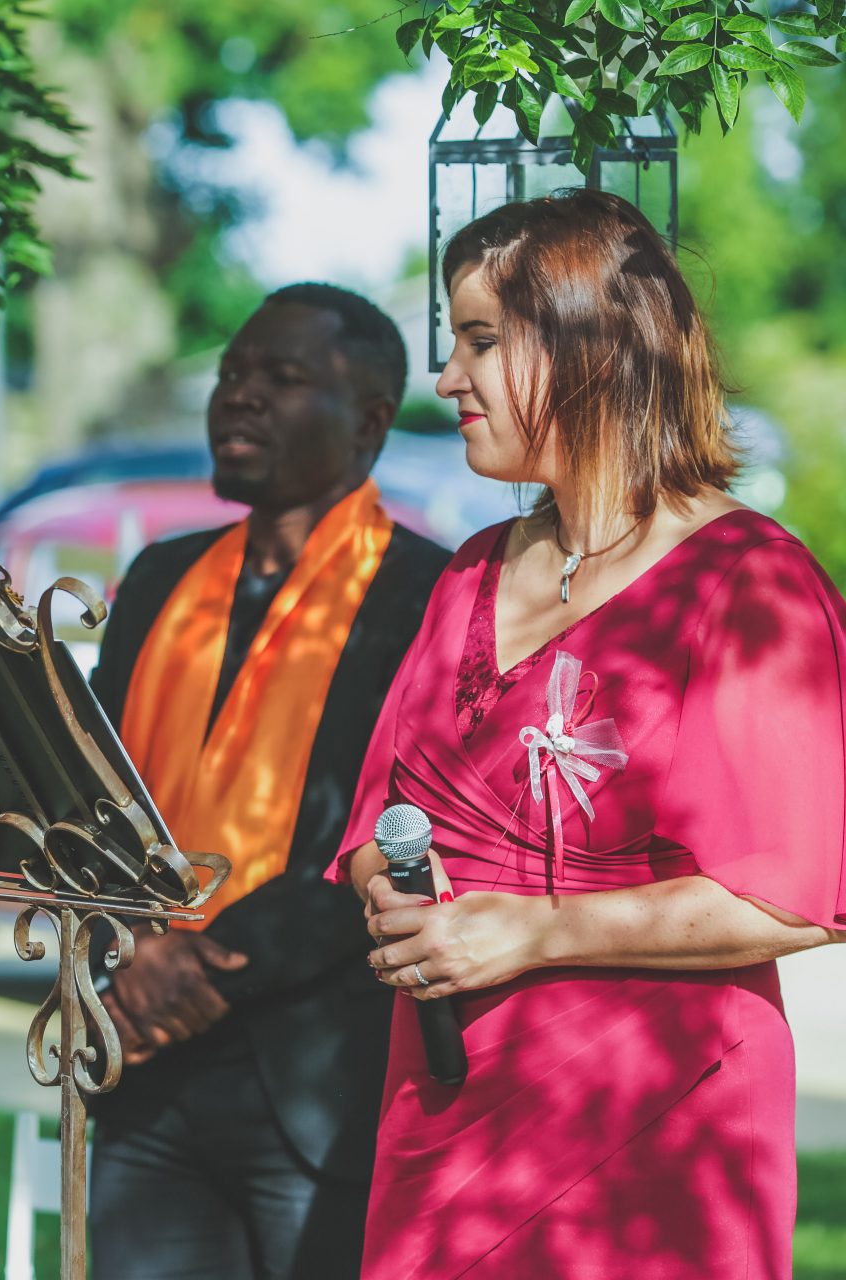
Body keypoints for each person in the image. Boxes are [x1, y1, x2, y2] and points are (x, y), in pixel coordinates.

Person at [332, 188, 846, 1277]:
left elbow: (787, 894)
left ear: (586, 348)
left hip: (654, 1117)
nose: (447, 379)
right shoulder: (468, 570)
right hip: (446, 1098)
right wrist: (394, 889)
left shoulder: (748, 582)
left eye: (479, 340)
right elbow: (381, 817)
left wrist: (537, 930)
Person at [85, 284, 452, 1279]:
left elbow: (407, 825)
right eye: (232, 374)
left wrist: (211, 959)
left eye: (282, 380)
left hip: (318, 1067)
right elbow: (96, 797)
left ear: (372, 421)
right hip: (143, 1054)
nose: (238, 397)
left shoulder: (430, 595)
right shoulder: (160, 579)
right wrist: (142, 947)